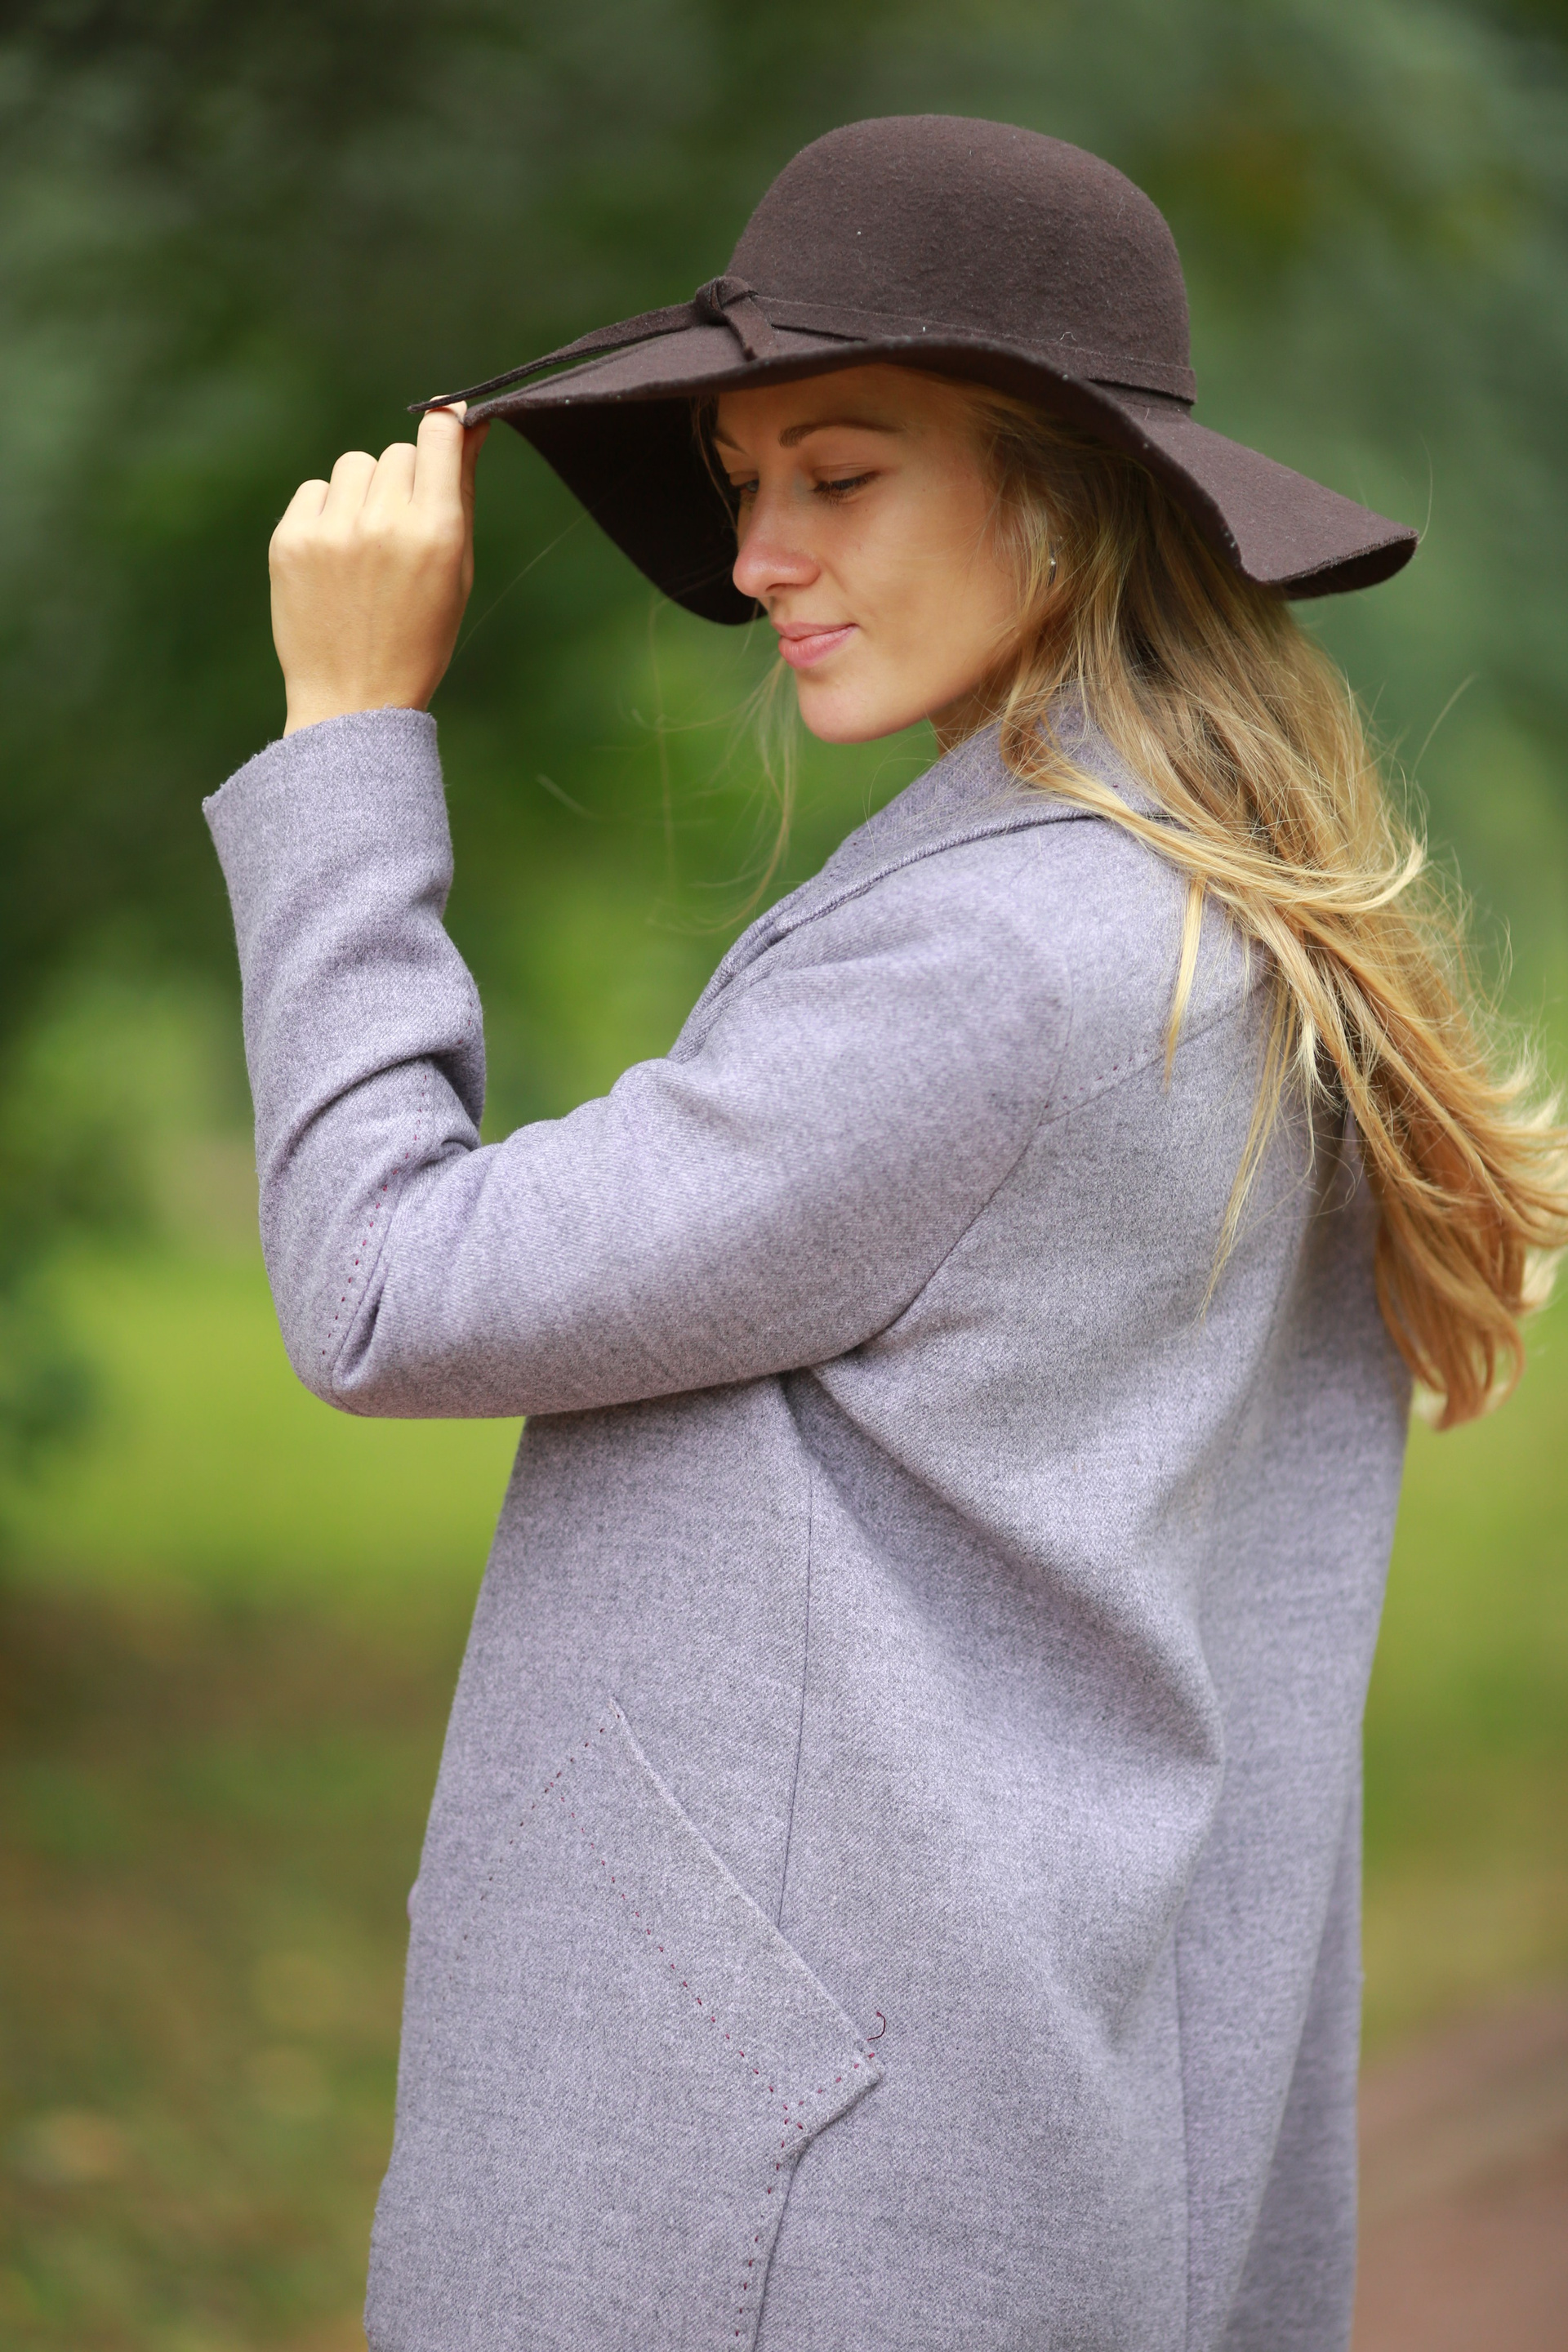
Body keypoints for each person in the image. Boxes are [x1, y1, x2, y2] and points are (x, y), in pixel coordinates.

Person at [205, 117, 1567, 2352]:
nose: (761, 554)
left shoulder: (996, 966)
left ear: (1068, 495)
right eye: (743, 483)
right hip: (999, 2145)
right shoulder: (1222, 914)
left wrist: (349, 740)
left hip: (788, 2218)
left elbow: (381, 1286)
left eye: (838, 475)